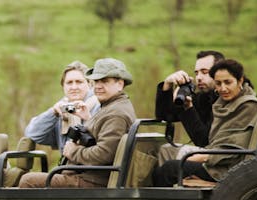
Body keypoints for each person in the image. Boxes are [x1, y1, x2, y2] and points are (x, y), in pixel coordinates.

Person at [18, 58, 136, 188]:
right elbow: (33, 133)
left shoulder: (115, 113)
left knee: (28, 181)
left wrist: (73, 151)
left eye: (105, 81)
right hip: (86, 175)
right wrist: (86, 118)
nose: (98, 86)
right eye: (96, 81)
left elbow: (104, 154)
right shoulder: (110, 107)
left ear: (119, 84)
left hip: (93, 180)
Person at [152, 58, 257, 187]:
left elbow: (232, 148)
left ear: (240, 81)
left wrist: (196, 157)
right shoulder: (222, 103)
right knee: (164, 156)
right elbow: (166, 115)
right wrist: (169, 87)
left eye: (228, 82)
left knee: (169, 169)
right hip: (218, 159)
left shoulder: (247, 106)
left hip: (226, 167)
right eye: (218, 83)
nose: (223, 88)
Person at [24, 60, 100, 151]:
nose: (74, 87)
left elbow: (104, 142)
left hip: (93, 163)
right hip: (67, 164)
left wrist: (88, 119)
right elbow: (32, 134)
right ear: (63, 87)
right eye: (69, 82)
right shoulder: (62, 112)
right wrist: (53, 113)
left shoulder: (99, 106)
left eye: (79, 82)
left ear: (90, 84)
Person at [155, 50, 224, 149]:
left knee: (169, 162)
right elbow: (165, 116)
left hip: (219, 158)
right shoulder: (204, 97)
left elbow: (204, 142)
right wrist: (167, 85)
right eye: (196, 73)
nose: (199, 77)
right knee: (163, 149)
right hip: (207, 155)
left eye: (205, 72)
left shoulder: (226, 100)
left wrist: (188, 108)